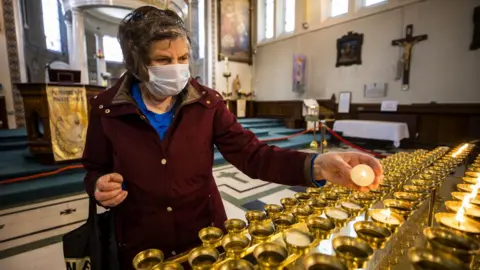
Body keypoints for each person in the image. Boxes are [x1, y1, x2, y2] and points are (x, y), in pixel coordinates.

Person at [82, 6, 383, 269]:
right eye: (163, 60)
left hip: (203, 237)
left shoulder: (207, 104)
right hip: (140, 244)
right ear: (137, 64)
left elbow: (252, 154)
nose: (177, 67)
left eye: (183, 57)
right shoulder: (107, 108)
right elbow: (94, 166)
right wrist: (97, 184)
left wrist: (317, 165)